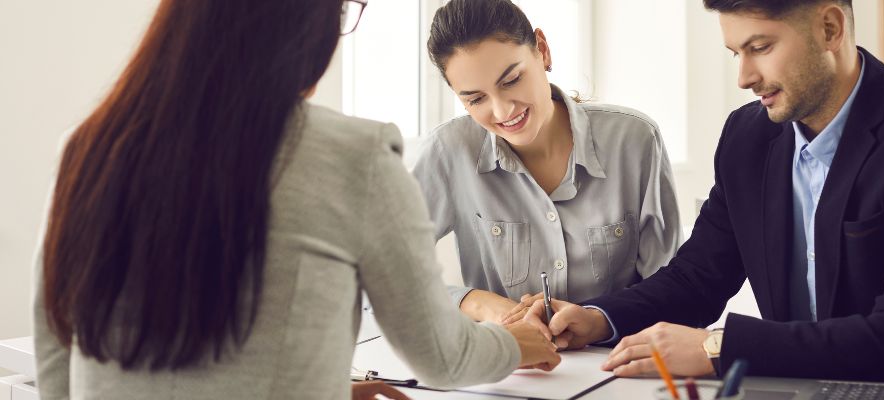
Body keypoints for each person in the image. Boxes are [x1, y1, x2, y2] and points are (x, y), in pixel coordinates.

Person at [32, 0, 560, 399]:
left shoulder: (87, 146)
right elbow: (444, 358)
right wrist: (517, 344)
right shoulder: (357, 154)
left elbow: (57, 357)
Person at [523, 0, 884, 397]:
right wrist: (597, 318)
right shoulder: (748, 137)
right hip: (804, 386)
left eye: (761, 48)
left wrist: (718, 347)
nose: (745, 78)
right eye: (736, 53)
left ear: (829, 29)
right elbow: (699, 277)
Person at [413, 0, 682, 325]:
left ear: (542, 50)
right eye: (475, 99)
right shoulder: (448, 151)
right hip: (508, 367)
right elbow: (379, 272)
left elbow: (672, 289)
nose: (502, 112)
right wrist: (479, 304)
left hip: (620, 363)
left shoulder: (635, 140)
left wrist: (599, 322)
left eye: (511, 80)